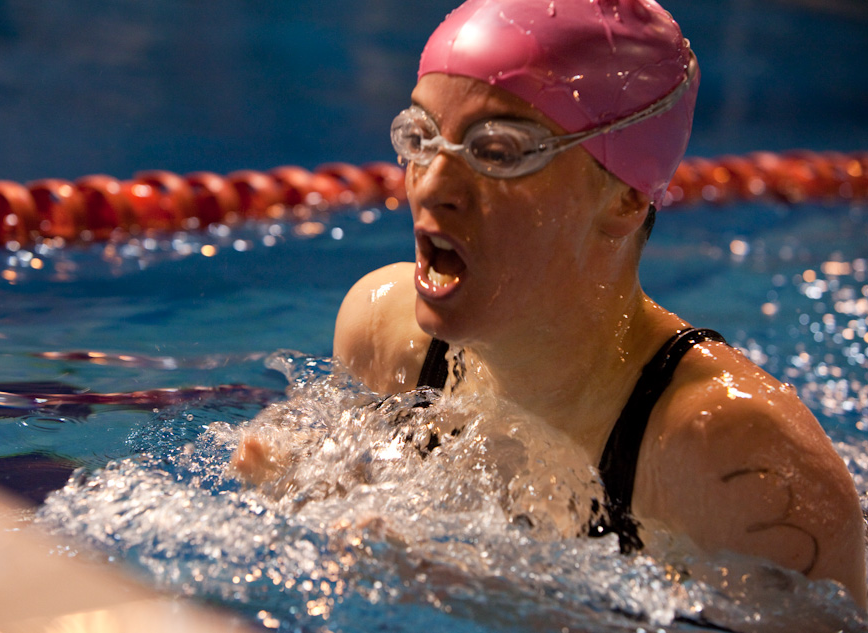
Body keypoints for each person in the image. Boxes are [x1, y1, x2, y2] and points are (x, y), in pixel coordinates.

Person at [331, 0, 867, 605]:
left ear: (625, 199)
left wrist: (480, 590)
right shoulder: (384, 333)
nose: (431, 186)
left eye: (498, 152)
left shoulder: (738, 463)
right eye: (421, 138)